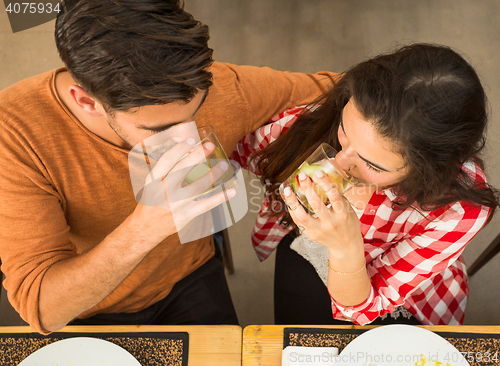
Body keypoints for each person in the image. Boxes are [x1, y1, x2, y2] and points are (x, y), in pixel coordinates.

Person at [0, 0, 336, 334]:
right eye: (159, 131)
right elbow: (41, 308)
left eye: (196, 112)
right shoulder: (15, 133)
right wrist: (146, 228)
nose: (185, 140)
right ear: (87, 102)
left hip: (191, 275)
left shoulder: (221, 87)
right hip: (85, 307)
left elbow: (350, 90)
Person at [231, 43, 498, 325]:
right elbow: (234, 150)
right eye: (345, 130)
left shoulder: (458, 207)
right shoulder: (315, 119)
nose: (342, 161)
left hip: (406, 295)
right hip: (306, 243)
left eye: (372, 165)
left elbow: (363, 309)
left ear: (427, 171)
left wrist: (345, 247)